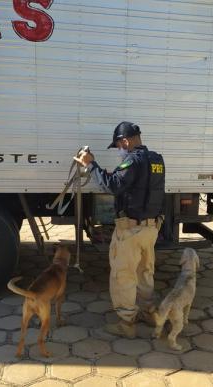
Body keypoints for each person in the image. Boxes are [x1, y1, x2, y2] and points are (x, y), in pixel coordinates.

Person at [74, 121, 165, 338]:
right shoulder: (157, 160)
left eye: (118, 146)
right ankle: (149, 313)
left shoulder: (132, 161)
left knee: (123, 275)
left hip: (130, 230)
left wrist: (91, 165)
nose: (119, 151)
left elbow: (112, 185)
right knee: (145, 272)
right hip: (151, 228)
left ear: (125, 140)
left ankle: (126, 324)